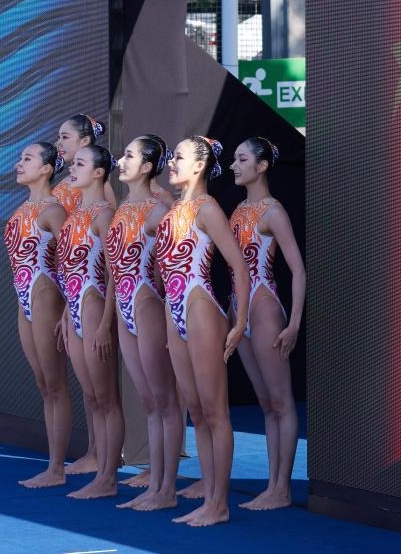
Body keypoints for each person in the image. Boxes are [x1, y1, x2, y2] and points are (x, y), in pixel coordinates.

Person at [156, 136, 249, 526]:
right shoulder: (175, 208)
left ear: (199, 165)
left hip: (200, 307)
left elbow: (238, 266)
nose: (171, 163)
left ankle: (219, 504)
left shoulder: (208, 208)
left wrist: (240, 321)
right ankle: (209, 497)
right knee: (195, 410)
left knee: (214, 411)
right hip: (174, 311)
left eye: (178, 157)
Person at [106, 135, 184, 510]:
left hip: (147, 304)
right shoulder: (124, 207)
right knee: (149, 402)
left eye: (129, 156)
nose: (121, 161)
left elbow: (174, 265)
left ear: (148, 167)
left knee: (165, 400)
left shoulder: (158, 210)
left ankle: (167, 489)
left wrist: (173, 315)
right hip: (125, 307)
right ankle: (156, 485)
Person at [228, 138, 305, 509]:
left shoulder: (273, 212)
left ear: (261, 166)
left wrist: (294, 324)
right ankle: (273, 486)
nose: (234, 166)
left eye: (242, 159)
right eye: (233, 159)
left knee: (280, 401)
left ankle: (282, 489)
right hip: (240, 310)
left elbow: (298, 269)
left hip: (265, 308)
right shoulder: (238, 210)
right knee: (265, 402)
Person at [56, 144, 124, 499]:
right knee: (93, 397)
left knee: (107, 397)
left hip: (95, 308)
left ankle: (108, 478)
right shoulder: (75, 215)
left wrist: (104, 323)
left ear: (98, 172)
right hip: (76, 310)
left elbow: (114, 274)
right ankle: (100, 468)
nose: (72, 168)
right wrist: (66, 314)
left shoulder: (104, 214)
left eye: (80, 164)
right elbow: (68, 269)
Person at [5, 142, 71, 487]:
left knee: (55, 384)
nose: (19, 164)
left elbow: (71, 260)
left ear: (46, 169)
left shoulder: (53, 210)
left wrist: (70, 308)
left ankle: (57, 469)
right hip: (25, 299)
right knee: (44, 384)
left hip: (46, 297)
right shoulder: (22, 209)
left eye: (27, 159)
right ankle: (53, 465)